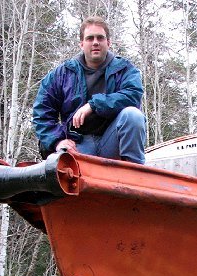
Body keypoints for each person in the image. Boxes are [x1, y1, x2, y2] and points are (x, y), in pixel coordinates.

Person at [32, 16, 146, 165]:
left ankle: (135, 175)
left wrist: (93, 105)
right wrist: (58, 141)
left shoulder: (125, 70)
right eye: (90, 38)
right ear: (81, 44)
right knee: (60, 160)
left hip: (113, 141)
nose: (95, 42)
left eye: (100, 38)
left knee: (133, 116)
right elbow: (42, 113)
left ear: (108, 42)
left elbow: (133, 95)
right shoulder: (61, 74)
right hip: (79, 145)